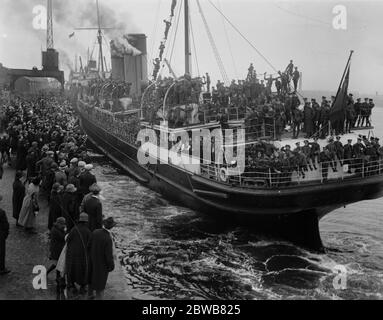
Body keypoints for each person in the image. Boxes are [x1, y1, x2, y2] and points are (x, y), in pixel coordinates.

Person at [89, 217, 116, 300]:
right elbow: (108, 256)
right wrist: (111, 266)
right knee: (100, 288)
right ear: (111, 227)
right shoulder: (108, 238)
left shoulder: (95, 232)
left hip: (92, 262)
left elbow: (88, 245)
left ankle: (89, 295)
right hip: (102, 266)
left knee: (91, 280)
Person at [66, 213, 92, 296]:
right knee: (83, 270)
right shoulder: (88, 231)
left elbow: (68, 239)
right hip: (83, 256)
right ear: (86, 222)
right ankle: (83, 286)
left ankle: (71, 285)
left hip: (72, 254)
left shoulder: (74, 229)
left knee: (72, 268)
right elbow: (90, 244)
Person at [0, 195, 10, 275]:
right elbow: (5, 225)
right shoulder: (1, 212)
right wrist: (5, 234)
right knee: (1, 252)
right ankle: (1, 268)